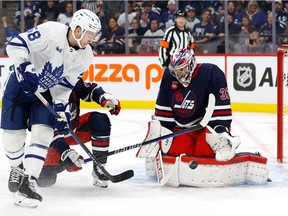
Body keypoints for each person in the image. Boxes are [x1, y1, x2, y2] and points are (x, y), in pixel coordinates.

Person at [1, 9, 102, 208]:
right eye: (91, 33)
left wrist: (60, 108)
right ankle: (17, 167)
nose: (93, 38)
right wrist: (24, 67)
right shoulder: (51, 31)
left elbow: (65, 87)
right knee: (13, 138)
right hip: (19, 88)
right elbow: (14, 45)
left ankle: (28, 182)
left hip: (44, 94)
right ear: (78, 29)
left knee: (44, 133)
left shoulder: (86, 56)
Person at [136, 48, 269, 187]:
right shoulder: (169, 76)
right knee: (175, 152)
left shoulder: (212, 74)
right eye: (175, 70)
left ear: (191, 64)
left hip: (205, 128)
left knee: (203, 153)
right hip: (181, 129)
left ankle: (250, 154)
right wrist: (162, 134)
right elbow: (164, 111)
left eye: (181, 69)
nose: (177, 73)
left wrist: (220, 131)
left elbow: (221, 110)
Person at [37, 78, 121, 189]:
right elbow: (43, 129)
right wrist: (65, 154)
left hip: (74, 130)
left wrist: (103, 97)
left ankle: (99, 168)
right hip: (52, 139)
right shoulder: (43, 89)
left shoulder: (71, 77)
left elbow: (89, 89)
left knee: (99, 121)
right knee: (45, 180)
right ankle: (30, 166)